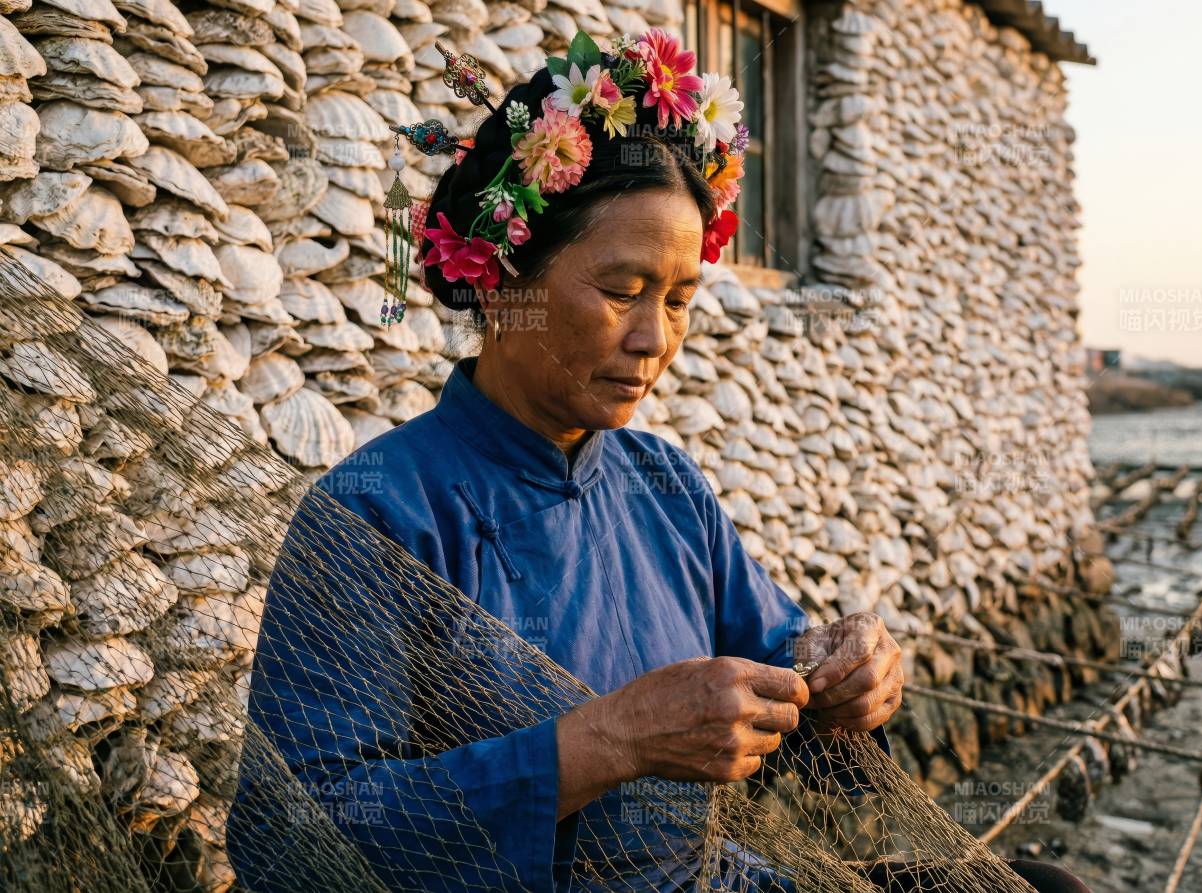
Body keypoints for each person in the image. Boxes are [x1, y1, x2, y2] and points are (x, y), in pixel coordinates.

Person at [228, 28, 1090, 893]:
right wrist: (609, 740)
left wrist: (850, 676)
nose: (654, 339)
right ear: (503, 276)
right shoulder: (377, 515)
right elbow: (290, 844)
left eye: (678, 300)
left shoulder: (663, 484)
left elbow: (787, 663)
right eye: (621, 292)